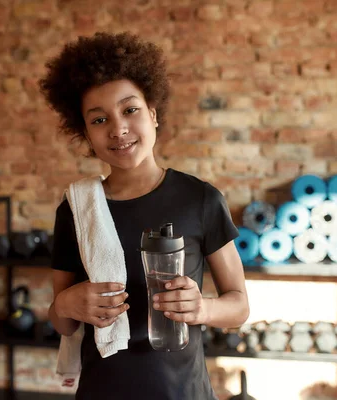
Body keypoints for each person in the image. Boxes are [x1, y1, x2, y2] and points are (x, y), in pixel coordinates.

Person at [39, 31, 250, 400]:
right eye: (99, 119)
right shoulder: (76, 209)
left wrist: (203, 307)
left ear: (152, 115)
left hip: (183, 392)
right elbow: (62, 320)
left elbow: (240, 306)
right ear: (86, 134)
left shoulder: (200, 200)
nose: (118, 128)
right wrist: (68, 304)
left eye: (130, 110)